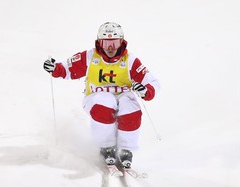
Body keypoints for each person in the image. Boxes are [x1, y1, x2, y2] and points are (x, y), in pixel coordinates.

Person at [43, 22, 160, 169]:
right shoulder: (90, 56)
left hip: (123, 96)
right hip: (96, 97)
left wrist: (146, 91)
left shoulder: (130, 60)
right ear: (99, 42)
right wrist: (54, 68)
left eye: (115, 43)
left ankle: (126, 148)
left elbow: (152, 82)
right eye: (106, 43)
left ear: (121, 41)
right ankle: (106, 146)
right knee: (105, 102)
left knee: (131, 109)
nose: (110, 48)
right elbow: (67, 68)